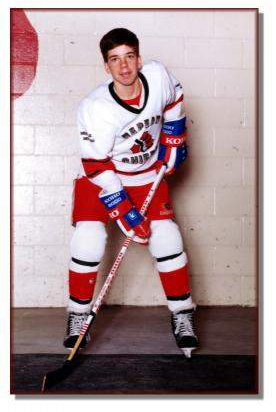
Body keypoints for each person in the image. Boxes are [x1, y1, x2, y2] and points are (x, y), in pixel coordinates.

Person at [63, 28, 198, 358]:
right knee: (89, 239)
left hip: (148, 176)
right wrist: (121, 207)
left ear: (138, 58)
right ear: (105, 66)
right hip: (101, 178)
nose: (124, 66)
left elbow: (175, 98)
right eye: (114, 60)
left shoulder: (159, 76)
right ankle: (77, 318)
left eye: (129, 57)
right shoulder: (95, 107)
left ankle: (183, 316)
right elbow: (96, 165)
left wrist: (174, 135)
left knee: (167, 238)